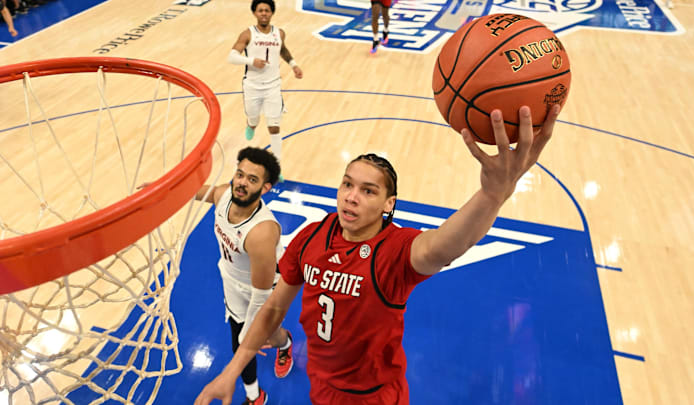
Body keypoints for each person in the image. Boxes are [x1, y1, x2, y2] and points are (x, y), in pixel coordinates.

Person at [194, 105, 560, 405]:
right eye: (347, 184)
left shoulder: (395, 252)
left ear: (389, 204)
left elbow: (445, 245)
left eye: (368, 191)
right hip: (321, 385)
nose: (351, 196)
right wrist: (231, 371)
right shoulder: (311, 236)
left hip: (374, 397)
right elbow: (273, 309)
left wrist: (492, 196)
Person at [195, 147, 294, 405]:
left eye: (252, 180)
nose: (241, 183)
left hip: (261, 289)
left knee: (248, 342)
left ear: (265, 188)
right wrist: (161, 192)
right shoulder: (224, 195)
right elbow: (199, 192)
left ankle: (284, 345)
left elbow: (261, 295)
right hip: (231, 280)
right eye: (240, 174)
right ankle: (255, 396)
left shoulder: (261, 232)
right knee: (243, 345)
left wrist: (249, 334)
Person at [227, 0, 303, 174]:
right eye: (260, 10)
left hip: (273, 86)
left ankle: (277, 168)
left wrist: (294, 64)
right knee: (253, 117)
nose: (263, 13)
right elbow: (231, 57)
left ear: (271, 13)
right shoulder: (247, 34)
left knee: (274, 126)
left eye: (267, 10)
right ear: (254, 13)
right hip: (252, 85)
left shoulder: (279, 33)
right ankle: (251, 125)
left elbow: (282, 50)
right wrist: (251, 61)